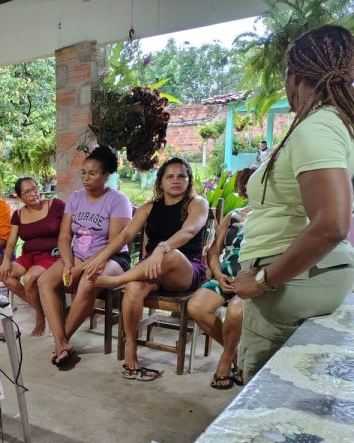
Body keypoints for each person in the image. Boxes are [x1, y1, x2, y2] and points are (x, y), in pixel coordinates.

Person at [234, 24, 354, 382]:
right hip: (312, 275)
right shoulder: (338, 124)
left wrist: (264, 280)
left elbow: (332, 222)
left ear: (294, 76)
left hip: (291, 281)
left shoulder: (317, 126)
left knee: (260, 394)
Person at [88, 157, 209, 380]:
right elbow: (125, 234)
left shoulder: (197, 203)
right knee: (133, 288)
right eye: (169, 176)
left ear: (189, 180)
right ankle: (131, 352)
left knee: (169, 255)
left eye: (181, 176)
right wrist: (100, 257)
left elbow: (189, 231)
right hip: (150, 268)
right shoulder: (149, 207)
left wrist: (161, 249)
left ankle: (117, 281)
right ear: (160, 181)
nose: (175, 180)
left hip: (184, 268)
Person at [38, 145, 133, 367]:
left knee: (88, 282)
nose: (85, 178)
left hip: (112, 258)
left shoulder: (118, 200)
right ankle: (62, 344)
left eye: (92, 173)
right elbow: (64, 237)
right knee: (44, 281)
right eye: (83, 173)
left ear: (105, 175)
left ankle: (61, 342)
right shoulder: (76, 198)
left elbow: (113, 244)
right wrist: (69, 263)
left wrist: (79, 269)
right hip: (78, 256)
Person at [187, 167, 255, 389]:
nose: (248, 189)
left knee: (236, 311)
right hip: (226, 273)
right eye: (245, 186)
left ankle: (225, 361)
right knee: (196, 306)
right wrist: (217, 273)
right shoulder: (233, 216)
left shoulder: (274, 218)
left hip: (254, 277)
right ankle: (234, 352)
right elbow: (214, 251)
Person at [0, 176, 66, 336]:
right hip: (29, 255)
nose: (34, 194)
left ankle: (40, 318)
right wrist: (6, 261)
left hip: (52, 254)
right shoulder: (18, 215)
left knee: (29, 279)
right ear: (19, 196)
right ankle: (41, 309)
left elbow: (71, 229)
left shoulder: (55, 205)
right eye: (28, 192)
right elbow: (11, 242)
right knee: (4, 275)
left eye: (35, 188)